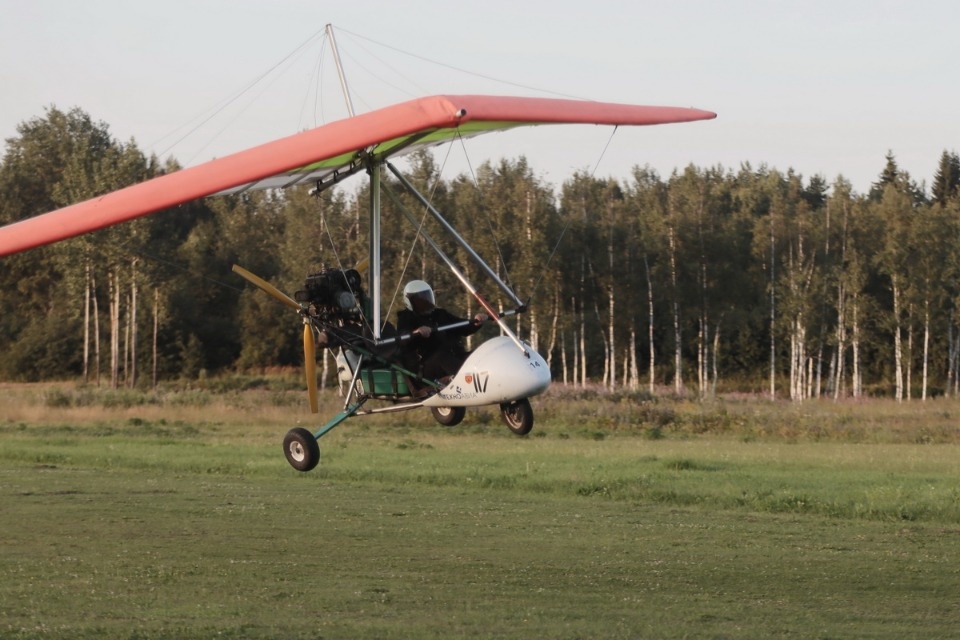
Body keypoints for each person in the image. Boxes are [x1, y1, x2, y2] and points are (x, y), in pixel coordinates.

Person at [397, 280, 489, 386]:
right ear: (409, 302)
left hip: (454, 357)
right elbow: (403, 337)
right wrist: (416, 332)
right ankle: (468, 381)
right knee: (442, 357)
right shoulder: (406, 317)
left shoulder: (440, 314)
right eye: (420, 300)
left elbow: (462, 326)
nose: (425, 302)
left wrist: (476, 323)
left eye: (426, 297)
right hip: (427, 366)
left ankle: (492, 379)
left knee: (478, 354)